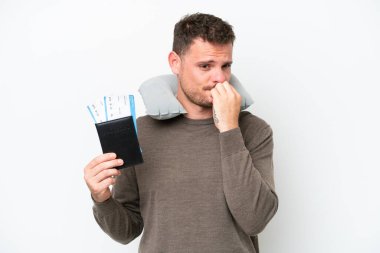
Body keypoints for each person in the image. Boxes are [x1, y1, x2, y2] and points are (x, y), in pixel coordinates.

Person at [84, 13, 278, 253]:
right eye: (205, 66)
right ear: (175, 62)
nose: (220, 79)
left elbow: (255, 219)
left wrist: (229, 129)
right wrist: (102, 198)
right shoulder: (141, 131)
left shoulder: (255, 131)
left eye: (225, 66)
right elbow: (126, 231)